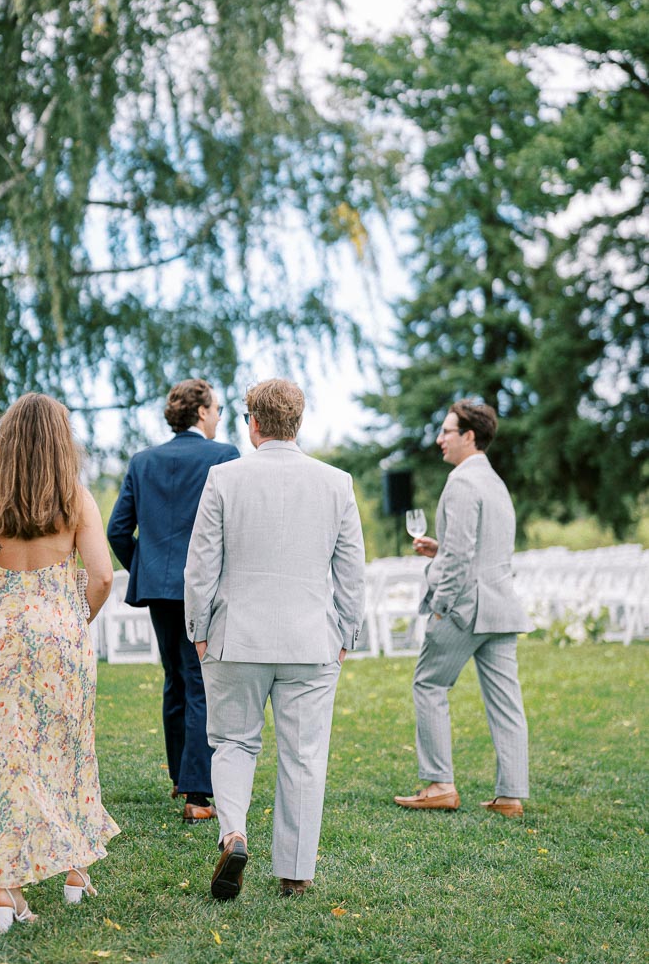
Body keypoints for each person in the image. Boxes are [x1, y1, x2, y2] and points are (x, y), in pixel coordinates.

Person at [184, 378, 366, 900]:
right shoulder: (336, 482)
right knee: (304, 754)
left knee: (234, 742)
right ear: (298, 424)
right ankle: (294, 872)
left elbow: (201, 568)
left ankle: (234, 833)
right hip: (312, 641)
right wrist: (346, 632)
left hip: (235, 637)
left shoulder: (224, 478)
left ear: (255, 423)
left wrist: (198, 629)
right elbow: (352, 572)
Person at [0, 392, 118, 931]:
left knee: (4, 757)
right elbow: (103, 577)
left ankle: (7, 891)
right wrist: (71, 620)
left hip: (1, 638)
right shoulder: (76, 500)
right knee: (67, 748)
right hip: (63, 635)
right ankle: (74, 872)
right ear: (61, 442)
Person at [107, 379, 239, 823]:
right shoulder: (224, 456)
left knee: (175, 680)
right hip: (204, 586)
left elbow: (116, 531)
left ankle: (182, 779)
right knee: (199, 680)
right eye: (218, 409)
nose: (220, 417)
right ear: (201, 412)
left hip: (160, 589)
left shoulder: (144, 461)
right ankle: (198, 795)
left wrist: (147, 567)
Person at [394, 399, 532, 819]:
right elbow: (478, 548)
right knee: (506, 701)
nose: (439, 440)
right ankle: (510, 796)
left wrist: (440, 604)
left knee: (429, 685)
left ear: (469, 436)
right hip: (500, 606)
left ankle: (439, 785)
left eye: (446, 432)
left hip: (466, 608)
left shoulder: (460, 482)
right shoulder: (494, 482)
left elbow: (457, 562)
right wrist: (442, 548)